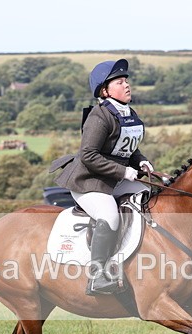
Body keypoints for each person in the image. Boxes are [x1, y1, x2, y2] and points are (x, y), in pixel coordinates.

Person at [50, 58, 153, 295]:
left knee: (149, 197)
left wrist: (142, 161)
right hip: (89, 181)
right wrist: (124, 171)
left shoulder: (127, 113)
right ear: (105, 91)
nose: (127, 85)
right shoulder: (100, 116)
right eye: (119, 81)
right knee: (110, 216)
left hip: (115, 180)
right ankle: (96, 276)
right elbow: (88, 155)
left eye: (126, 80)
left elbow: (128, 147)